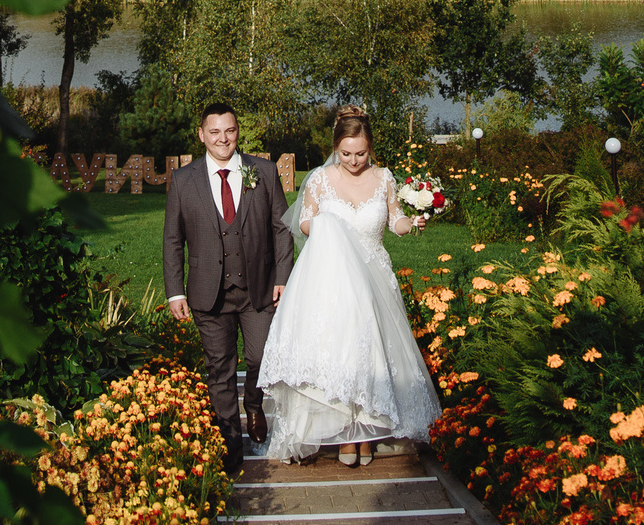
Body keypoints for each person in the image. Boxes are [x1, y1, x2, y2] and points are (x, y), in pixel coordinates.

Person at [255, 107, 442, 466]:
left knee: (371, 352)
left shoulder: (385, 177)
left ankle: (369, 431)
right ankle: (344, 433)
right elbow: (305, 222)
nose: (354, 161)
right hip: (333, 278)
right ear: (335, 148)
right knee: (340, 351)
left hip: (374, 277)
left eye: (361, 153)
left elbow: (395, 220)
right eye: (346, 154)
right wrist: (331, 229)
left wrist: (412, 221)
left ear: (370, 148)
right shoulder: (320, 179)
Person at [162, 103, 292, 470]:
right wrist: (175, 290)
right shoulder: (183, 180)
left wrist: (282, 277)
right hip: (207, 293)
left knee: (260, 359)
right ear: (202, 135)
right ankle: (230, 445)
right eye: (215, 132)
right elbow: (172, 239)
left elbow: (282, 228)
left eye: (230, 131)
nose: (223, 139)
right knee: (219, 369)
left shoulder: (262, 172)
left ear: (238, 132)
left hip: (260, 289)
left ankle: (254, 402)